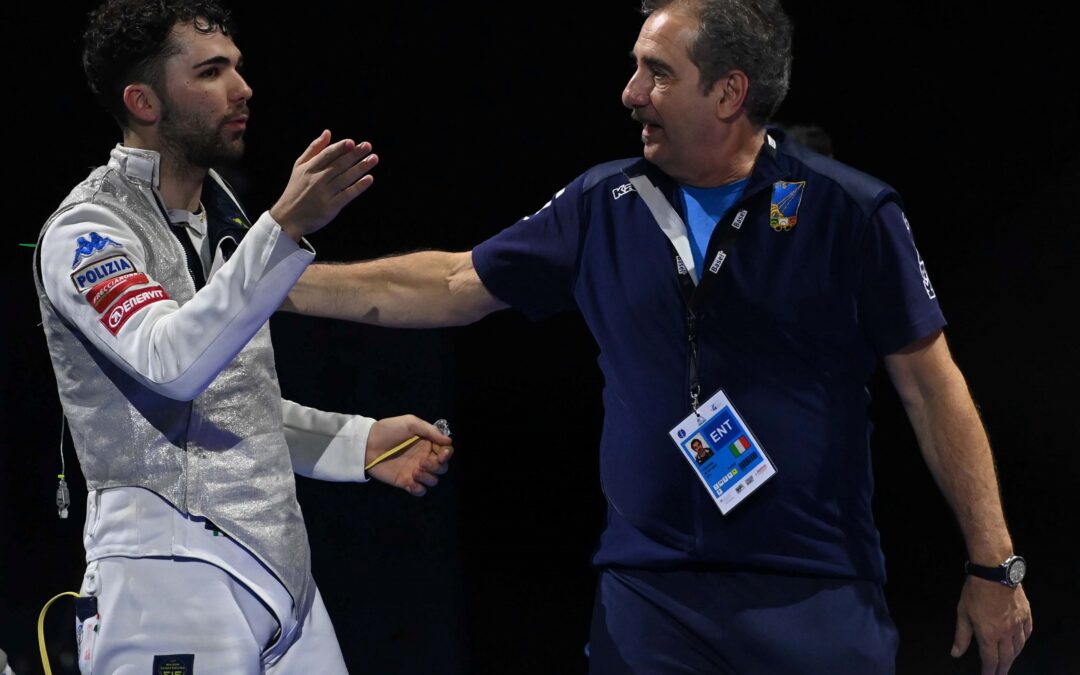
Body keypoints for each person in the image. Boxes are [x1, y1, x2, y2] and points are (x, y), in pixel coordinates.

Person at [284, 0, 1032, 672]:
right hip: (648, 600)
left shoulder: (849, 212)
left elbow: (934, 390)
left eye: (657, 73)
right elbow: (450, 284)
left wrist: (994, 564)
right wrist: (268, 284)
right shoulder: (604, 202)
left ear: (729, 92)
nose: (630, 93)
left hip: (816, 591)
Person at [33, 0, 453, 672]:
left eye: (237, 66)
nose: (242, 87)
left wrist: (354, 442)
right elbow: (171, 366)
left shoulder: (219, 218)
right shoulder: (87, 234)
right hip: (164, 580)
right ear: (144, 101)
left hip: (282, 580)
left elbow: (223, 410)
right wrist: (283, 227)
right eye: (211, 71)